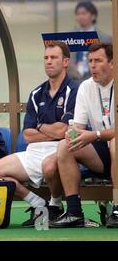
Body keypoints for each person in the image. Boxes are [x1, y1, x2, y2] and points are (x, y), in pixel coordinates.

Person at [0, 41, 78, 227]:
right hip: (33, 152)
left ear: (66, 61)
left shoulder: (74, 90)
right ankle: (38, 204)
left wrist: (41, 127)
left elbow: (64, 131)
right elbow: (27, 135)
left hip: (61, 150)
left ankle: (55, 206)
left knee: (49, 166)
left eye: (54, 58)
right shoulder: (37, 93)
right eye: (46, 58)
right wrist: (51, 130)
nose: (49, 62)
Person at [50, 43, 117, 228]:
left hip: (112, 144)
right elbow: (78, 127)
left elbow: (99, 134)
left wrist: (94, 134)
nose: (92, 66)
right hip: (101, 151)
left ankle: (117, 208)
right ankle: (74, 212)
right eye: (90, 61)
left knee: (115, 143)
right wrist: (72, 134)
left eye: (98, 60)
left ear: (112, 63)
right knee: (65, 145)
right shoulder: (85, 87)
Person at [72, 1, 112, 81]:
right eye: (78, 14)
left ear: (93, 16)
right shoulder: (70, 37)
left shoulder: (105, 38)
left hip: (98, 80)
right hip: (75, 79)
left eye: (84, 13)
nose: (80, 17)